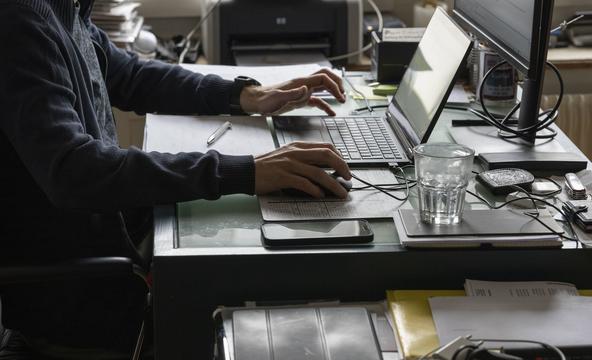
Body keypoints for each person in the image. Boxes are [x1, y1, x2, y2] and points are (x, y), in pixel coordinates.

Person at [0, 0, 351, 355]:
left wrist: (247, 95)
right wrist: (246, 171)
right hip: (83, 296)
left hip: (115, 241)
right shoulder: (22, 21)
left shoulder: (65, 8)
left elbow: (131, 76)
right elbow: (74, 171)